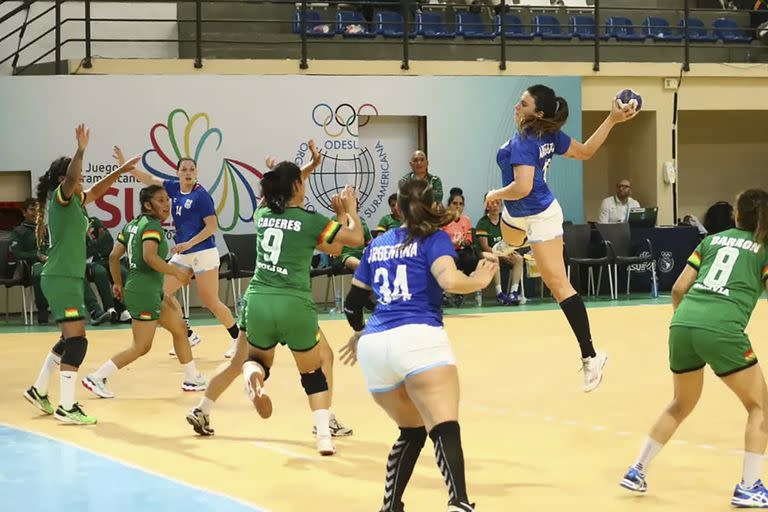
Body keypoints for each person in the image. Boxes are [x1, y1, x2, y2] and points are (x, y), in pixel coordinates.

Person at [339, 179, 498, 512]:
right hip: (418, 337)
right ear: (433, 204)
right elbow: (450, 281)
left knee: (411, 430)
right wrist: (481, 280)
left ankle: (391, 506)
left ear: (397, 208)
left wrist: (361, 333)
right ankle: (459, 502)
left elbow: (353, 304)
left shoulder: (378, 244)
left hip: (375, 347)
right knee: (443, 423)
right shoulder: (434, 239)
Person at [187, 162, 364, 456]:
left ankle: (203, 408)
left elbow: (331, 248)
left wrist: (330, 208)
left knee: (242, 362)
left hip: (257, 300)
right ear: (296, 186)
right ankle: (324, 424)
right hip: (293, 302)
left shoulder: (263, 214)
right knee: (316, 367)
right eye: (302, 182)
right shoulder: (310, 221)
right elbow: (354, 240)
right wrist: (349, 210)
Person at [620, 189, 768, 507]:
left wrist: (686, 323)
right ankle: (749, 485)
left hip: (683, 324)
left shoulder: (711, 241)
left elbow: (678, 288)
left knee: (680, 404)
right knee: (761, 407)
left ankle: (637, 469)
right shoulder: (764, 249)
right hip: (723, 330)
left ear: (736, 215)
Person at [485, 84, 637, 392]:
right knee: (509, 243)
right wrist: (611, 119)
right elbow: (586, 151)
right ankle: (514, 244)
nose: (517, 106)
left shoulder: (527, 141)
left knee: (557, 284)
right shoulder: (545, 134)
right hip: (515, 216)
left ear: (537, 114)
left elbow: (523, 187)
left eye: (523, 104)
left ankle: (591, 356)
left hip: (541, 214)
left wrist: (494, 194)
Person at [23, 124, 140, 424]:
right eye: (78, 176)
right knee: (77, 342)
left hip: (67, 279)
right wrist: (81, 149)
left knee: (67, 340)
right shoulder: (61, 198)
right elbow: (75, 176)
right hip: (62, 280)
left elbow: (97, 189)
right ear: (64, 180)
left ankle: (38, 390)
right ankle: (67, 406)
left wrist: (123, 169)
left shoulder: (75, 201)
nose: (82, 180)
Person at [82, 185, 207, 398]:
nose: (166, 204)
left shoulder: (132, 225)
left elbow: (114, 256)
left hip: (146, 289)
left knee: (179, 329)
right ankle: (97, 377)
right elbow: (150, 258)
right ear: (148, 205)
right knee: (141, 347)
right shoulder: (152, 227)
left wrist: (118, 284)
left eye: (167, 199)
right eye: (160, 200)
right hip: (144, 292)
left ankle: (192, 377)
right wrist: (176, 273)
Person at [116, 147, 240, 358]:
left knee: (210, 300)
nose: (188, 172)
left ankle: (238, 340)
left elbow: (211, 227)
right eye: (184, 169)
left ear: (196, 172)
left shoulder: (201, 196)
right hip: (184, 252)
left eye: (192, 169)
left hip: (203, 251)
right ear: (178, 172)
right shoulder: (173, 188)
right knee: (160, 292)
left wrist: (188, 243)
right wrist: (125, 166)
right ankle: (189, 335)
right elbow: (147, 178)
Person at [476, 197, 524, 305]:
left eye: (497, 203)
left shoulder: (505, 221)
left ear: (501, 205)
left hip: (504, 252)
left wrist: (511, 250)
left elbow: (511, 239)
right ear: (487, 206)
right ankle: (499, 294)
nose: (495, 206)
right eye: (491, 203)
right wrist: (502, 256)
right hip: (487, 254)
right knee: (495, 258)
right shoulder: (482, 223)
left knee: (519, 259)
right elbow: (485, 246)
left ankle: (513, 292)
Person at [85, 213, 131, 324]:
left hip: (104, 259)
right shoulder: (72, 226)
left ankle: (122, 308)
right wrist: (94, 244)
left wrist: (91, 244)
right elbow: (82, 252)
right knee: (100, 272)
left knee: (121, 271)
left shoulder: (94, 221)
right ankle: (110, 308)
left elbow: (107, 241)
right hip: (87, 263)